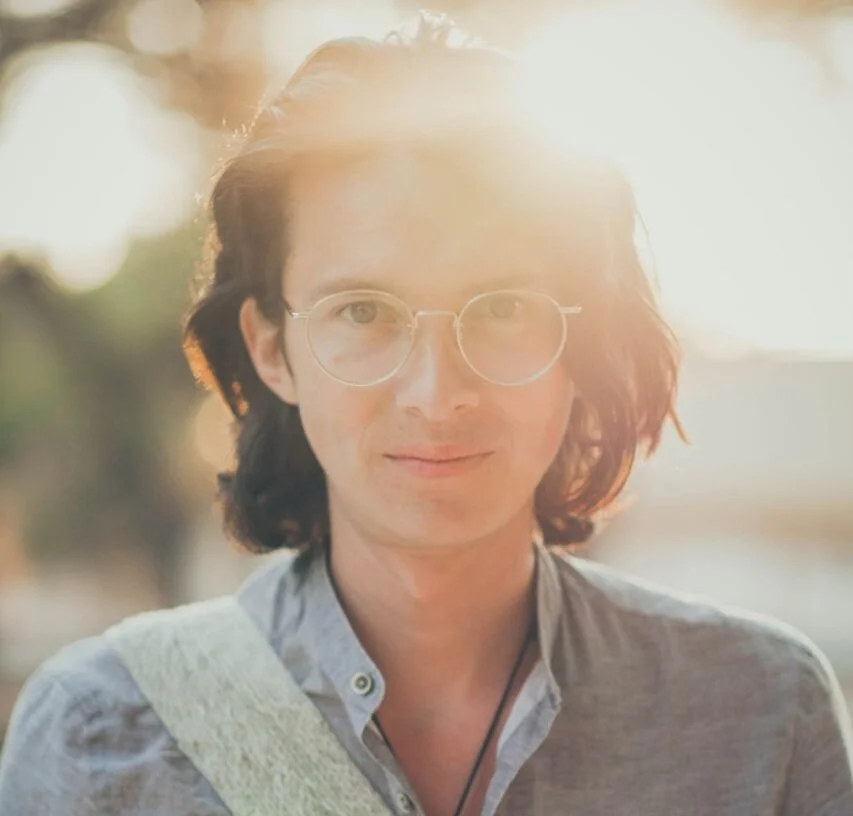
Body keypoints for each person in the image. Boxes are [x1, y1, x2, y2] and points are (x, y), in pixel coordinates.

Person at [1, 11, 851, 816]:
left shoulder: (760, 715)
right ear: (271, 349)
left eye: (502, 308)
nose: (436, 394)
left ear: (579, 341)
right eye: (363, 312)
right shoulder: (95, 737)